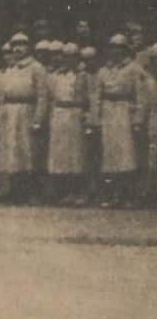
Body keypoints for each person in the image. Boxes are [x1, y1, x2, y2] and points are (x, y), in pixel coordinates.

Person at [89, 34, 150, 208]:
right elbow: (96, 96)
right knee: (110, 155)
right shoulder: (103, 71)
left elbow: (141, 96)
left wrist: (138, 120)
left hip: (124, 113)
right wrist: (96, 119)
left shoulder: (133, 69)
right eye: (112, 48)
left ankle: (128, 195)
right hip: (108, 114)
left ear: (125, 50)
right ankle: (111, 194)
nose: (115, 52)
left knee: (127, 155)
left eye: (119, 48)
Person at [0, 33, 50, 204]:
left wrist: (38, 119)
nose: (18, 49)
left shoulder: (36, 68)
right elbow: (1, 96)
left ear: (28, 47)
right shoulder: (9, 70)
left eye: (22, 45)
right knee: (12, 151)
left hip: (27, 112)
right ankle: (14, 189)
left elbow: (42, 96)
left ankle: (30, 191)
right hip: (10, 114)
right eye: (15, 45)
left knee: (28, 152)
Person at [46, 42, 93, 206]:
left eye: (71, 56)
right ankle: (63, 191)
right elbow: (50, 97)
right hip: (60, 115)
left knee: (77, 154)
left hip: (76, 115)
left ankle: (78, 192)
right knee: (61, 154)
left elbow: (90, 99)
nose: (67, 59)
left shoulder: (84, 76)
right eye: (65, 56)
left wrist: (88, 119)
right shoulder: (55, 75)